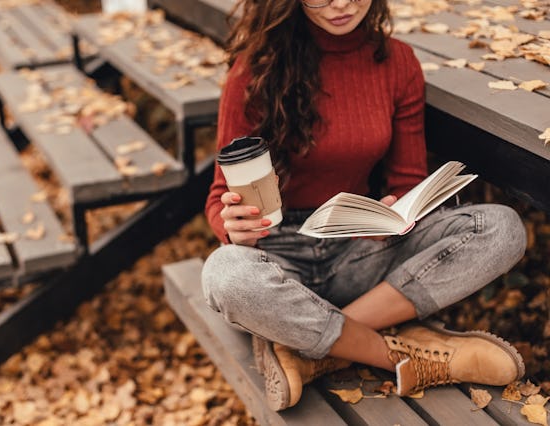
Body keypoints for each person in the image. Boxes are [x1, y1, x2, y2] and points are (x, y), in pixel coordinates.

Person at [201, 0, 527, 412]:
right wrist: (233, 227)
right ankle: (395, 354)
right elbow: (218, 197)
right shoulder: (255, 70)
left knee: (500, 227)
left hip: (360, 246)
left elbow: (407, 181)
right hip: (279, 257)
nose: (340, 4)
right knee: (225, 274)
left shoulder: (397, 62)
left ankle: (309, 347)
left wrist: (396, 213)